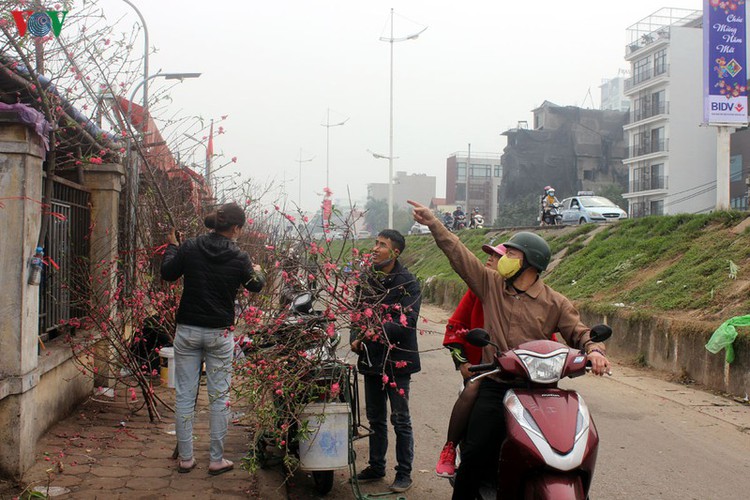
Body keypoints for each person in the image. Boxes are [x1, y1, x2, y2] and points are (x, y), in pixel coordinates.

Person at [407, 199, 610, 499]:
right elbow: (459, 255)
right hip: (496, 384)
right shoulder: (490, 284)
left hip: (540, 391)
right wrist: (435, 223)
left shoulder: (555, 302)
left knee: (566, 449)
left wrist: (594, 351)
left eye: (512, 253)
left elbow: (579, 333)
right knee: (474, 453)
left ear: (529, 263)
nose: (505, 258)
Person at [161, 202, 266, 475]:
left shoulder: (190, 246)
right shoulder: (240, 257)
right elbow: (255, 284)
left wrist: (173, 246)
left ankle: (186, 458)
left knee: (185, 395)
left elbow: (168, 273)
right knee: (219, 398)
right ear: (236, 228)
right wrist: (259, 269)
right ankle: (216, 459)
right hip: (220, 333)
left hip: (187, 330)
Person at [350, 229, 422, 493]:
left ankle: (404, 473)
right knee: (376, 417)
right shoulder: (367, 279)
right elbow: (357, 312)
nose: (375, 248)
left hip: (397, 360)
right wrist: (356, 336)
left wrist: (375, 331)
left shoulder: (408, 282)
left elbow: (408, 323)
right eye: (376, 243)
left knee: (400, 418)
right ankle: (376, 465)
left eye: (382, 245)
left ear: (396, 252)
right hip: (372, 358)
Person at [436, 243, 506, 478]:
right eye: (490, 255)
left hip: (519, 372)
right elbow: (455, 328)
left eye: (497, 257)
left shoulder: (532, 297)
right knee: (473, 389)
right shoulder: (478, 290)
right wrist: (463, 364)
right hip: (483, 371)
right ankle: (449, 447)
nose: (489, 259)